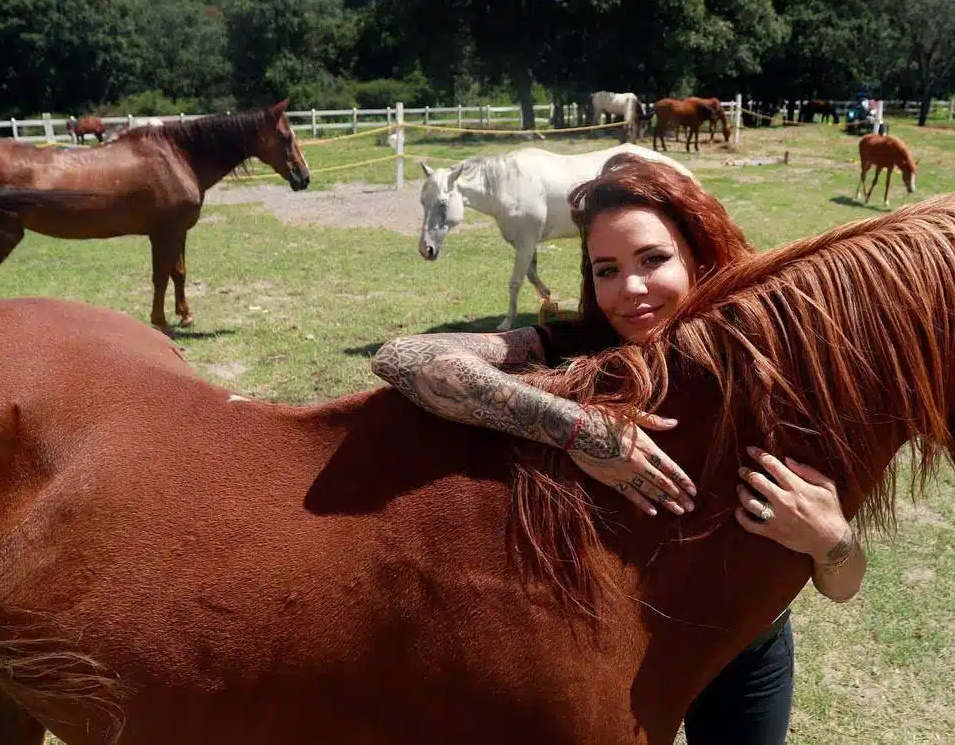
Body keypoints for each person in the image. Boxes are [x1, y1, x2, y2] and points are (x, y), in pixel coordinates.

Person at [371, 155, 867, 744]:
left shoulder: (770, 367)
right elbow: (403, 357)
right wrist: (576, 428)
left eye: (653, 260)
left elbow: (844, 585)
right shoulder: (583, 348)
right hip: (615, 647)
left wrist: (830, 540)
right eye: (606, 269)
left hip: (746, 652)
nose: (630, 290)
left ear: (699, 253)